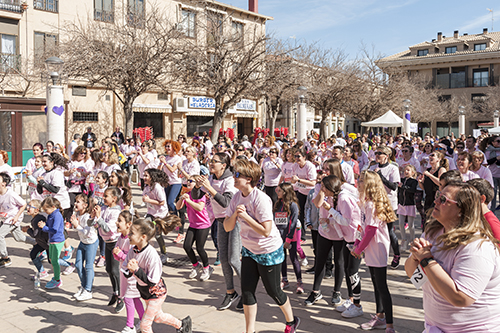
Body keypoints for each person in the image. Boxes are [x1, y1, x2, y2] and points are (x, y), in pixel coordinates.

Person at [404, 182, 500, 332]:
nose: (435, 201)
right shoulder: (434, 232)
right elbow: (414, 277)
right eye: (438, 195)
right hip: (434, 327)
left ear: (462, 210)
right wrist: (415, 256)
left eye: (443, 200)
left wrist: (427, 260)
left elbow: (461, 298)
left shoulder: (477, 246)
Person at [225, 159, 300, 333]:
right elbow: (227, 227)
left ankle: (291, 321)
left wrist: (247, 217)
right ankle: (249, 331)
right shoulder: (236, 197)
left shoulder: (261, 199)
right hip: (250, 250)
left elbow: (266, 231)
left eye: (237, 175)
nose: (234, 178)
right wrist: (236, 214)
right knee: (247, 291)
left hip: (269, 251)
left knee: (273, 291)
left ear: (249, 178)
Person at [122, 217, 191, 333]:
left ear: (143, 237)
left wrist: (137, 270)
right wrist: (129, 270)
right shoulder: (132, 251)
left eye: (132, 233)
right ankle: (182, 325)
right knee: (158, 317)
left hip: (156, 293)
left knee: (144, 326)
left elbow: (153, 281)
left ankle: (182, 326)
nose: (128, 235)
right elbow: (126, 273)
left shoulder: (152, 255)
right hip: (145, 292)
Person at [192, 153, 241, 311]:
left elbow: (226, 202)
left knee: (234, 259)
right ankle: (230, 292)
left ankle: (248, 292)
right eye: (210, 160)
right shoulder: (211, 179)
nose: (210, 163)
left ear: (224, 165)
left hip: (234, 221)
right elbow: (195, 196)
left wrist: (209, 188)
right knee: (224, 260)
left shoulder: (229, 181)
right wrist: (198, 186)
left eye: (214, 161)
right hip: (220, 222)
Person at [353, 171, 397, 333]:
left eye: (362, 180)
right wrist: (357, 243)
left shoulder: (372, 204)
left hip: (377, 247)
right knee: (376, 284)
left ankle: (390, 325)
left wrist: (359, 249)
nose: (358, 182)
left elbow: (371, 230)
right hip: (370, 248)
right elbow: (362, 228)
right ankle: (380, 317)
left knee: (381, 286)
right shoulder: (366, 202)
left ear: (370, 184)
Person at [89, 187, 124, 312]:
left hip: (115, 243)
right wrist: (93, 216)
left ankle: (121, 296)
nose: (103, 198)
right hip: (106, 242)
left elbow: (108, 229)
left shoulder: (117, 212)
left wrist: (99, 218)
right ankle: (115, 292)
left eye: (106, 196)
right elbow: (91, 224)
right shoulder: (103, 209)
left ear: (114, 198)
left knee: (115, 270)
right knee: (108, 269)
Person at [369, 146, 401, 269]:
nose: (377, 155)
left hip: (389, 204)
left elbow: (394, 186)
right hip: (375, 202)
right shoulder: (372, 167)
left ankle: (396, 254)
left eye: (380, 153)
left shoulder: (393, 168)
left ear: (386, 156)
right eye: (376, 153)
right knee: (375, 229)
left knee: (389, 230)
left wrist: (381, 176)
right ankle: (379, 254)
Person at [176, 177, 213, 281]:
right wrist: (181, 199)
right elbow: (178, 207)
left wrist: (188, 200)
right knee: (187, 246)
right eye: (188, 180)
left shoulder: (201, 194)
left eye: (191, 181)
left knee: (200, 247)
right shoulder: (187, 194)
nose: (188, 182)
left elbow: (200, 207)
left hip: (203, 224)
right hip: (193, 224)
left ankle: (207, 267)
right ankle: (196, 265)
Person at [113, 210, 144, 333]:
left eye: (120, 220)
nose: (117, 222)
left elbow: (132, 258)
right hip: (124, 273)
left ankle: (130, 326)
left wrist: (119, 254)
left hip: (131, 274)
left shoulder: (131, 240)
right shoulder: (121, 237)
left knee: (128, 298)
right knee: (135, 298)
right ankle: (143, 320)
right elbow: (117, 251)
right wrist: (116, 254)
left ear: (128, 224)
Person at [0, 172, 34, 267]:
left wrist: (16, 217)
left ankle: (5, 258)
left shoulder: (11, 194)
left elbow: (23, 204)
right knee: (19, 238)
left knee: (0, 235)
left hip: (13, 218)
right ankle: (37, 243)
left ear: (4, 183)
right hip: (5, 218)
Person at [274, 182, 302, 294]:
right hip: (279, 235)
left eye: (279, 190)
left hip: (291, 236)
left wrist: (288, 239)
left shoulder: (293, 205)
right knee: (282, 258)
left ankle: (299, 281)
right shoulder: (278, 204)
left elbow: (293, 222)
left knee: (294, 258)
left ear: (286, 192)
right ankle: (284, 279)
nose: (277, 191)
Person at [71, 194, 98, 301]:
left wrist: (76, 225)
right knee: (78, 264)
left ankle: (88, 290)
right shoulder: (78, 214)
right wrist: (74, 223)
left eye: (78, 202)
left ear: (85, 205)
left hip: (91, 242)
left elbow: (87, 232)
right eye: (75, 201)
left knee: (88, 266)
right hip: (83, 242)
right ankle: (83, 286)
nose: (75, 204)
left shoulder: (87, 217)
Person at [142, 168, 169, 263]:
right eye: (143, 175)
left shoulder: (157, 187)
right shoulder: (146, 186)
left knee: (158, 235)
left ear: (152, 177)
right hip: (151, 212)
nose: (144, 177)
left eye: (146, 176)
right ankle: (145, 252)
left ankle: (164, 254)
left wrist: (149, 200)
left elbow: (162, 202)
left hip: (160, 214)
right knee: (144, 229)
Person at [38, 197, 66, 289]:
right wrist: (44, 225)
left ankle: (57, 280)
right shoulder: (51, 214)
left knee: (54, 261)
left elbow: (54, 229)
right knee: (52, 260)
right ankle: (56, 278)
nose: (45, 211)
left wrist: (44, 227)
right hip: (53, 240)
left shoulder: (57, 215)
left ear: (53, 207)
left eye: (46, 209)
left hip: (57, 240)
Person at [159, 140, 183, 242]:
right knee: (167, 203)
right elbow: (159, 170)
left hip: (176, 182)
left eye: (169, 147)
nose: (167, 149)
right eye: (166, 147)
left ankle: (176, 219)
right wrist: (161, 163)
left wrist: (165, 163)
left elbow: (173, 170)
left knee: (170, 201)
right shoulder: (167, 158)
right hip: (167, 183)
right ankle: (173, 219)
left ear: (174, 148)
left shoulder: (178, 159)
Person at [291, 148, 317, 243]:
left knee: (310, 214)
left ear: (304, 157)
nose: (297, 158)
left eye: (299, 156)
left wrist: (299, 180)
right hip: (301, 192)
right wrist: (296, 184)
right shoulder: (295, 166)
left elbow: (313, 183)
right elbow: (293, 180)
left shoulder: (310, 166)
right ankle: (301, 236)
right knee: (299, 214)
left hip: (311, 193)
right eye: (295, 156)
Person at [22, 199, 49, 279]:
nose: (28, 207)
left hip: (47, 243)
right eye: (28, 205)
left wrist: (27, 230)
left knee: (52, 260)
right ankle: (42, 272)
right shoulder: (36, 217)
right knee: (33, 254)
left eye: (30, 206)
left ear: (37, 210)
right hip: (42, 242)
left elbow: (35, 234)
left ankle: (70, 265)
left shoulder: (37, 219)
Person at [397, 165, 419, 250]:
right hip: (402, 205)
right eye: (405, 170)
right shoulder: (402, 180)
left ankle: (413, 240)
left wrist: (403, 186)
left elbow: (412, 190)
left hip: (410, 205)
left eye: (408, 170)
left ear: (413, 173)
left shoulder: (414, 181)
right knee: (401, 224)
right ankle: (404, 240)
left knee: (410, 225)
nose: (406, 172)